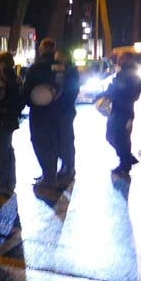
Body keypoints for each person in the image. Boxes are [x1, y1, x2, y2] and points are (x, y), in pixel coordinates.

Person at [23, 38, 66, 195]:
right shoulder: (61, 67)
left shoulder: (36, 68)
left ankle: (48, 178)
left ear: (41, 50)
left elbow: (27, 89)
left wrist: (26, 101)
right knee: (52, 142)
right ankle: (50, 174)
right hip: (56, 110)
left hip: (39, 112)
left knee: (40, 142)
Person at [103, 52, 141, 178]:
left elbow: (121, 91)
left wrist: (108, 93)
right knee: (120, 137)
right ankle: (127, 158)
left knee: (115, 136)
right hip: (123, 110)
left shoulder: (127, 74)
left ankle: (125, 162)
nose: (118, 60)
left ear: (127, 59)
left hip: (122, 110)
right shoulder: (128, 73)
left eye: (121, 58)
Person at [0, 52, 24, 197]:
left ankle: (2, 183)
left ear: (2, 63)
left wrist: (1, 110)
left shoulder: (4, 79)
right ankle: (10, 181)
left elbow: (3, 98)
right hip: (11, 119)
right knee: (7, 149)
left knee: (1, 151)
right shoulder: (16, 79)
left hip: (3, 119)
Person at [53, 47, 81, 187]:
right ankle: (65, 166)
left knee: (66, 139)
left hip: (65, 109)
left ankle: (68, 167)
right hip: (61, 109)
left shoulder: (69, 71)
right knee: (61, 139)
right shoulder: (62, 70)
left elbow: (71, 89)